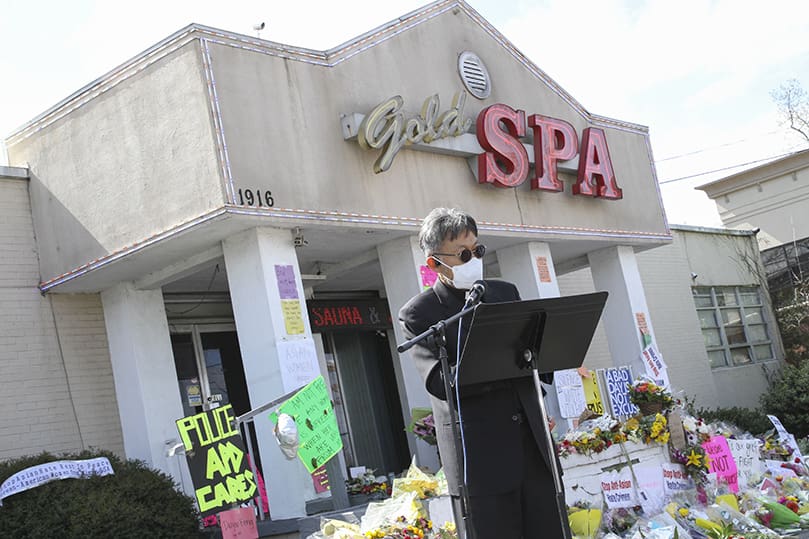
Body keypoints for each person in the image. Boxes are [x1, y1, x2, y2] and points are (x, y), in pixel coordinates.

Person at [399, 207, 571, 539]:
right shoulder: (420, 314)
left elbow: (534, 360)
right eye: (464, 254)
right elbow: (438, 381)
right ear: (434, 263)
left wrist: (551, 348)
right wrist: (495, 359)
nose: (475, 259)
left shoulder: (503, 293)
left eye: (478, 250)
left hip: (534, 452)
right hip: (480, 463)